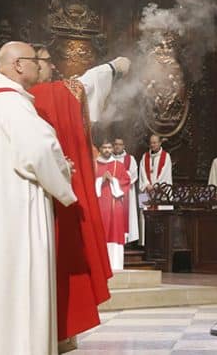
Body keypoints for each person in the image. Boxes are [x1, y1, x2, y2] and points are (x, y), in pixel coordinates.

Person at [0, 41, 76, 355]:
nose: (41, 66)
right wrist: (64, 172)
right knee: (20, 285)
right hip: (18, 215)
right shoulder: (12, 103)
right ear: (18, 64)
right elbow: (39, 151)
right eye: (36, 60)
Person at [28, 46, 131, 350]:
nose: (51, 67)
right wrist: (114, 67)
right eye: (46, 61)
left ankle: (54, 332)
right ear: (31, 64)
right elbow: (85, 84)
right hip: (55, 195)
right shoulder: (47, 94)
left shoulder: (20, 101)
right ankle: (59, 333)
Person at [95, 140, 132, 270]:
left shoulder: (119, 165)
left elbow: (126, 182)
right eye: (104, 147)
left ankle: (115, 266)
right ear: (100, 149)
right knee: (99, 232)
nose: (107, 150)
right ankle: (99, 266)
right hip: (98, 206)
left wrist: (112, 180)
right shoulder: (93, 165)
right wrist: (100, 180)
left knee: (115, 232)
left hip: (115, 205)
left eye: (109, 147)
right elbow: (87, 184)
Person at [112, 137, 139, 244]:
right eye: (116, 144)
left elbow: (134, 175)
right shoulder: (110, 159)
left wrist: (123, 182)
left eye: (120, 144)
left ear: (123, 146)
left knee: (127, 215)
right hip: (113, 193)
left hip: (127, 192)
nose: (117, 146)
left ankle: (127, 239)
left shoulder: (130, 159)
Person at [139, 133, 172, 210]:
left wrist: (155, 186)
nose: (152, 145)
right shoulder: (145, 156)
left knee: (161, 216)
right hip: (146, 190)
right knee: (145, 215)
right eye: (151, 143)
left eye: (154, 143)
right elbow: (142, 172)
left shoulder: (166, 156)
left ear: (160, 143)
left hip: (160, 192)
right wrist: (147, 185)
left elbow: (165, 175)